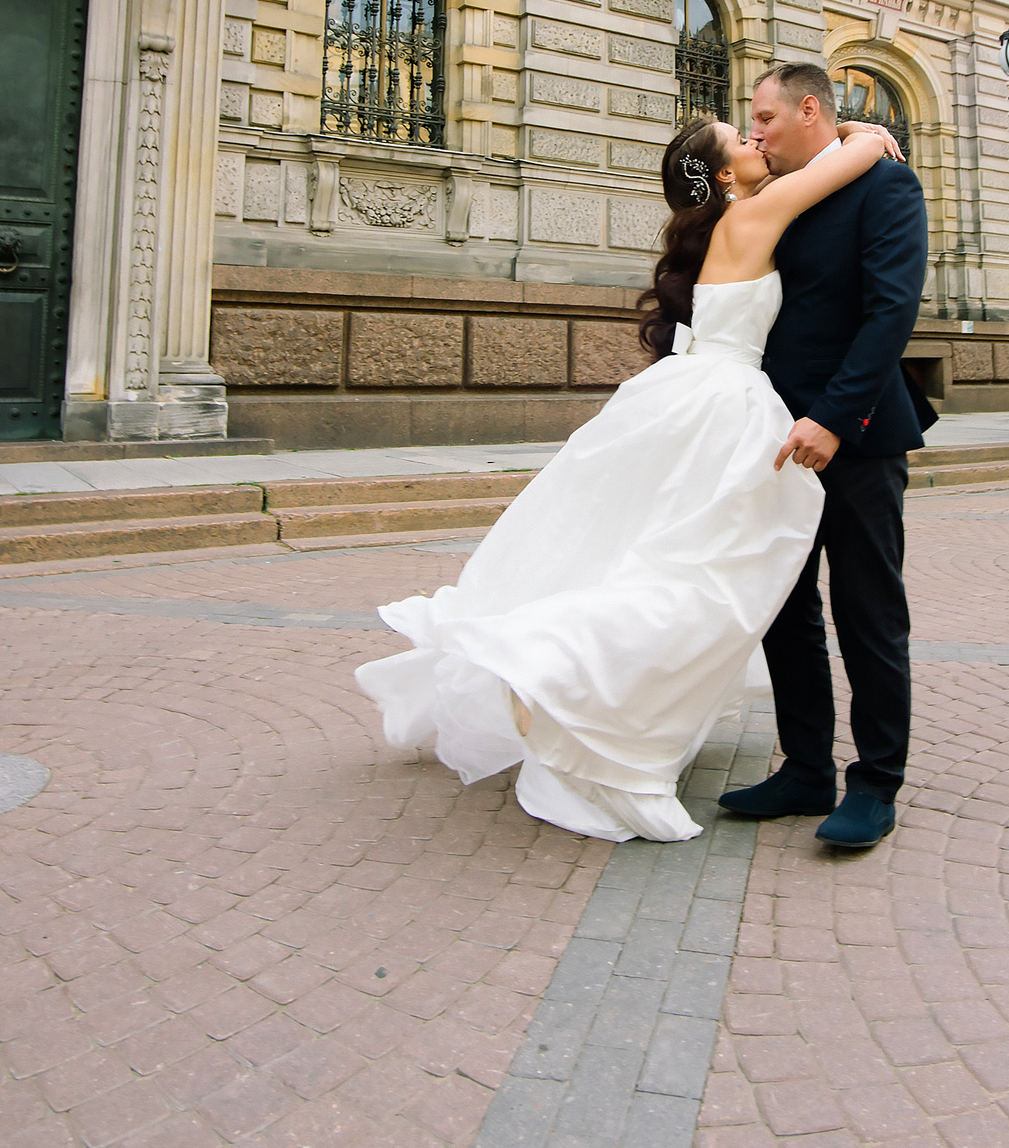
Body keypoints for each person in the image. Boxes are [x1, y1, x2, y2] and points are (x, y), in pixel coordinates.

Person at [355, 109, 906, 843]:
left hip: (713, 404)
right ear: (719, 177)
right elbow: (835, 163)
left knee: (693, 564)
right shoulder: (754, 214)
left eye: (759, 124)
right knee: (714, 578)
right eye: (742, 138)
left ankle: (572, 671)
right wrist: (864, 133)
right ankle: (561, 663)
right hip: (734, 408)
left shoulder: (724, 224)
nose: (755, 138)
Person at [713, 64, 930, 848]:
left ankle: (875, 783)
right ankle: (805, 767)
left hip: (860, 437)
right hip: (776, 437)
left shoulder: (887, 188)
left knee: (867, 608)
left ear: (811, 109)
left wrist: (835, 417)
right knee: (787, 607)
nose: (756, 129)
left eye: (765, 115)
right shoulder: (783, 198)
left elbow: (890, 312)